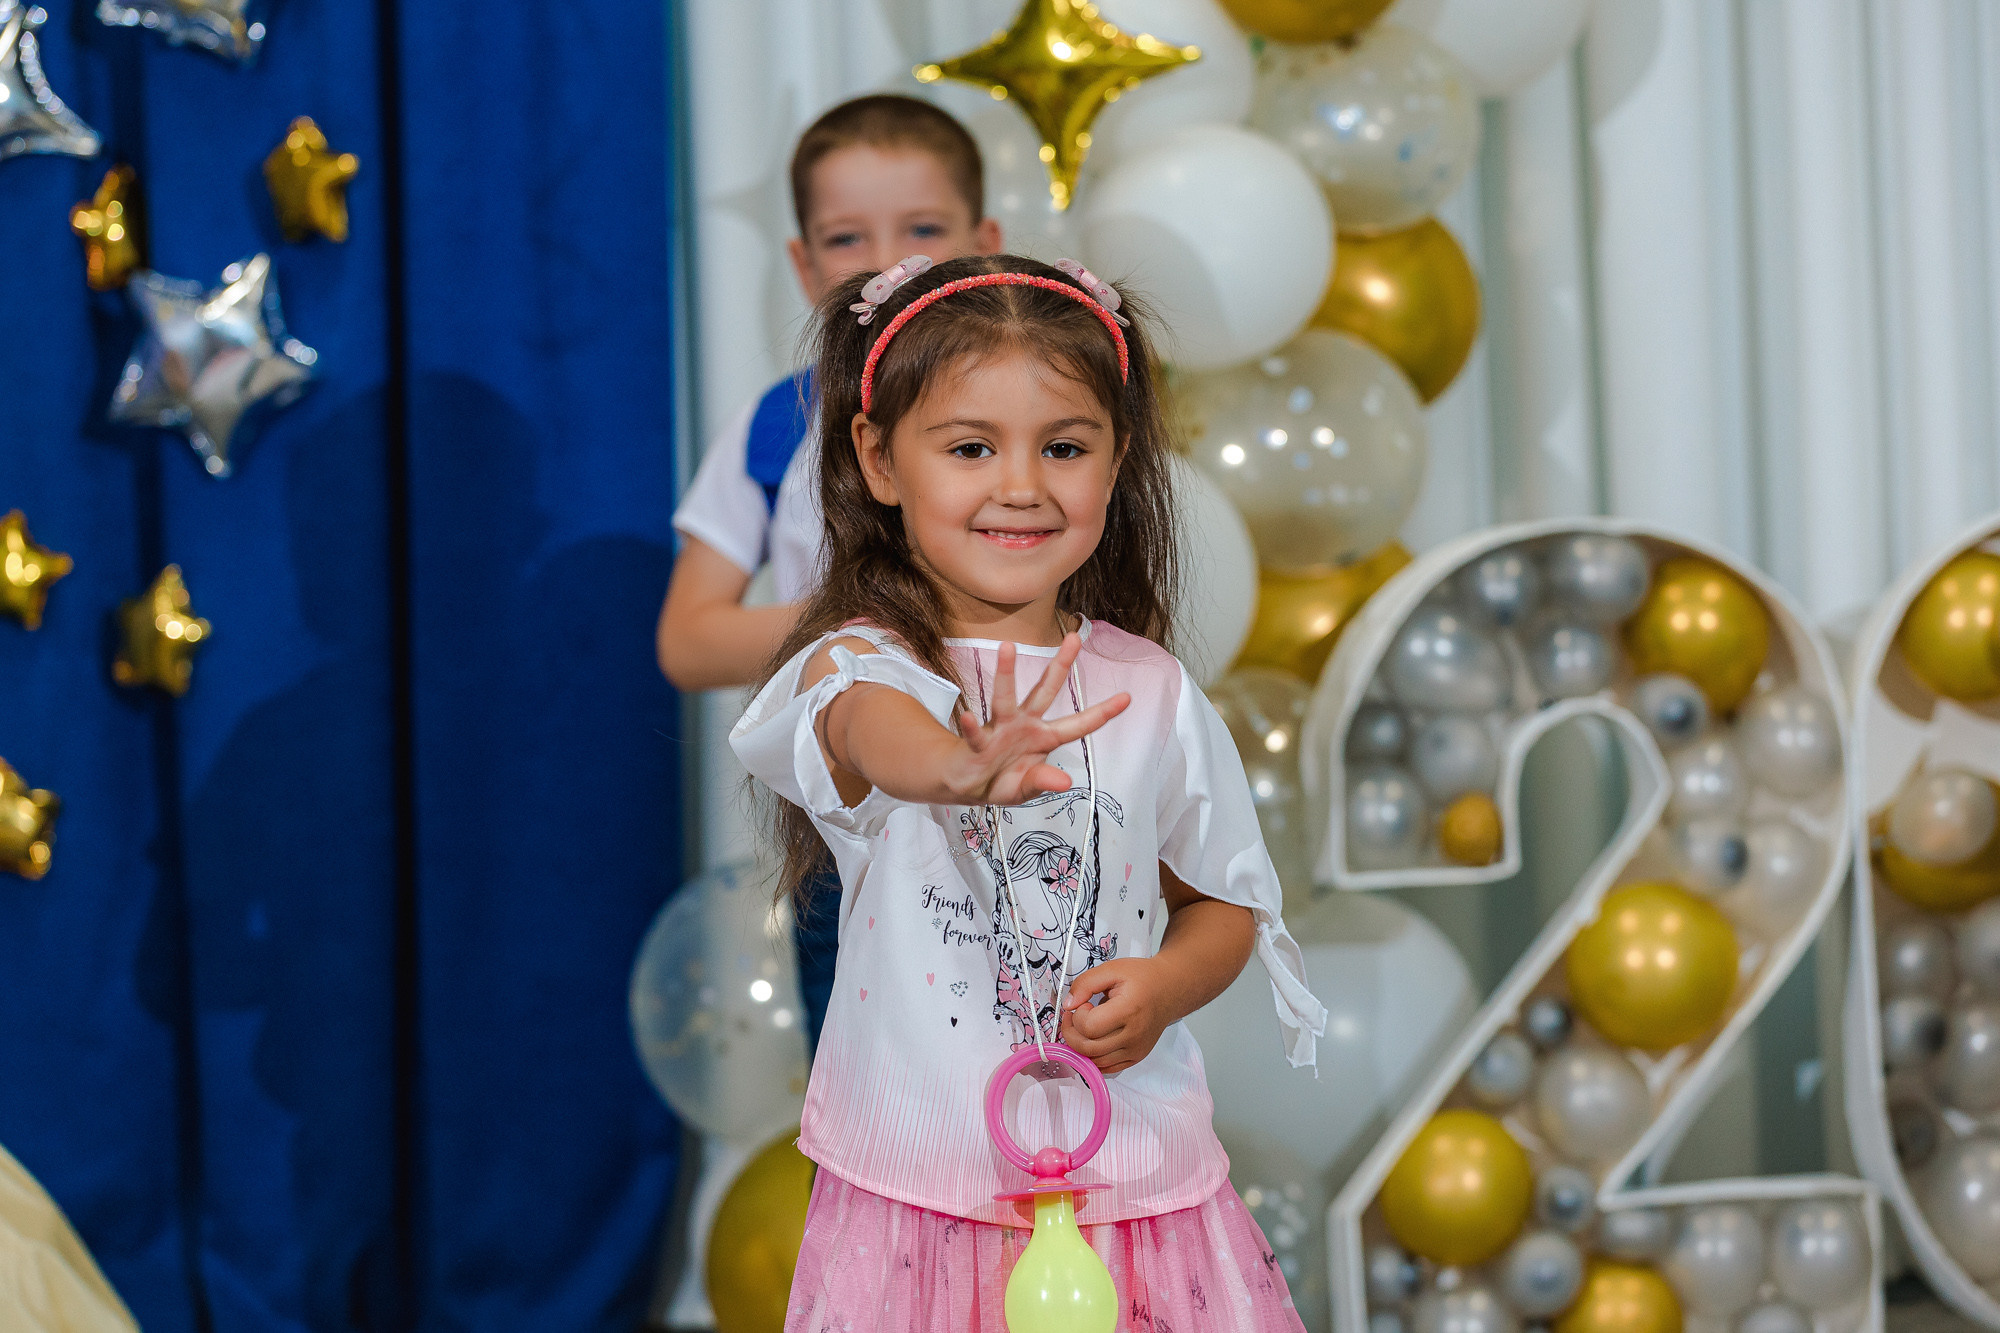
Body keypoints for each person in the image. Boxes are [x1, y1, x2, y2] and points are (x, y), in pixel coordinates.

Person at [731, 252, 1328, 1330]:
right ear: (877, 458)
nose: (1020, 484)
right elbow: (871, 733)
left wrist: (1162, 988)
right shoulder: (862, 667)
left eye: (1063, 446)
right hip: (925, 1193)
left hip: (1130, 1189)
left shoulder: (1148, 689)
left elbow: (1223, 907)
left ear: (1117, 458)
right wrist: (957, 766)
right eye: (968, 448)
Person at [659, 94, 1002, 1049]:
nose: (889, 259)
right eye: (849, 237)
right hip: (845, 846)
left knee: (1044, 1117)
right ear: (804, 264)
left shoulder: (1032, 407)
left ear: (986, 238)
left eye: (924, 229)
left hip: (1028, 827)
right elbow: (688, 639)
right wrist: (866, 619)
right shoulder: (780, 425)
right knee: (865, 1126)